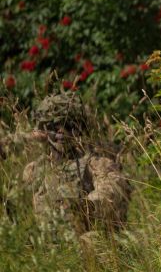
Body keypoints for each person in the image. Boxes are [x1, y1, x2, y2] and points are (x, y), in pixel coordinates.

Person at [22, 92, 132, 245]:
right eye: (54, 126)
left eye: (69, 126)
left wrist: (84, 207)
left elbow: (113, 190)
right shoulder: (34, 170)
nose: (61, 131)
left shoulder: (94, 163)